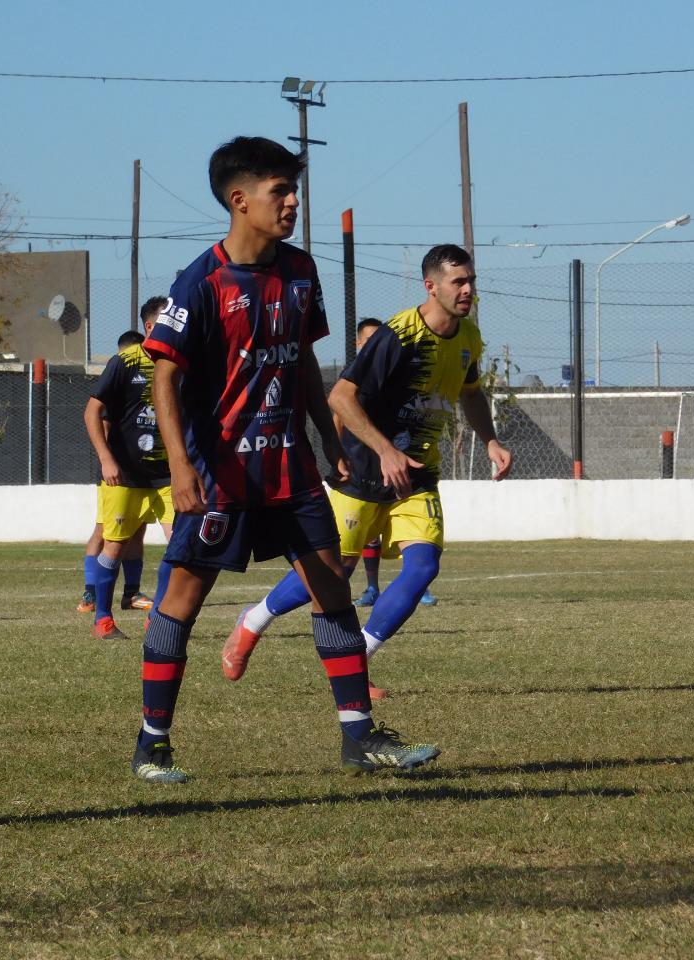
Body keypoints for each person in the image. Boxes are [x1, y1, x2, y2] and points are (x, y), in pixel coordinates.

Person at [131, 136, 439, 784]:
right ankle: (152, 745)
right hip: (222, 473)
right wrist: (181, 469)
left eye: (295, 189)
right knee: (181, 601)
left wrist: (327, 440)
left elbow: (298, 360)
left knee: (333, 588)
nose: (293, 201)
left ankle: (360, 738)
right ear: (239, 200)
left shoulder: (301, 271)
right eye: (280, 190)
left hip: (291, 469)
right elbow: (163, 376)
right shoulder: (203, 280)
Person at [224, 243, 513, 698]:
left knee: (422, 568)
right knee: (331, 573)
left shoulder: (469, 339)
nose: (468, 289)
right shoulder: (400, 335)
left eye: (471, 280)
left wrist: (491, 439)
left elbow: (472, 394)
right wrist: (382, 450)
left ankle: (356, 661)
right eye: (459, 282)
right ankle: (253, 620)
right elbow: (341, 396)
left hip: (417, 477)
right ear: (431, 286)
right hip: (363, 473)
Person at [77, 301, 173, 616]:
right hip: (124, 474)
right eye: (170, 320)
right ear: (150, 327)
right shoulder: (124, 363)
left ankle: (157, 614)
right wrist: (106, 458)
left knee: (181, 546)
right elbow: (93, 412)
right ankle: (100, 612)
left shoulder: (179, 362)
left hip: (167, 475)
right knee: (111, 541)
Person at [347, 318, 437, 611]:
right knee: (355, 545)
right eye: (369, 341)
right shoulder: (354, 378)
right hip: (364, 465)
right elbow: (338, 409)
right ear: (359, 344)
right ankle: (372, 586)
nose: (375, 345)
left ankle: (414, 585)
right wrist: (335, 450)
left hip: (399, 460)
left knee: (416, 539)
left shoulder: (394, 368)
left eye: (379, 339)